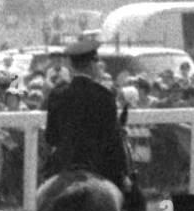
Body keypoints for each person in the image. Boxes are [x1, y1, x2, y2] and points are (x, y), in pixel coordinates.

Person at [41, 39, 130, 191]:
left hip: (63, 164)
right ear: (92, 64)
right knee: (135, 198)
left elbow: (51, 137)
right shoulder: (104, 95)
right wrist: (123, 174)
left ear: (71, 65)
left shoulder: (57, 94)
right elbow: (113, 140)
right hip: (98, 165)